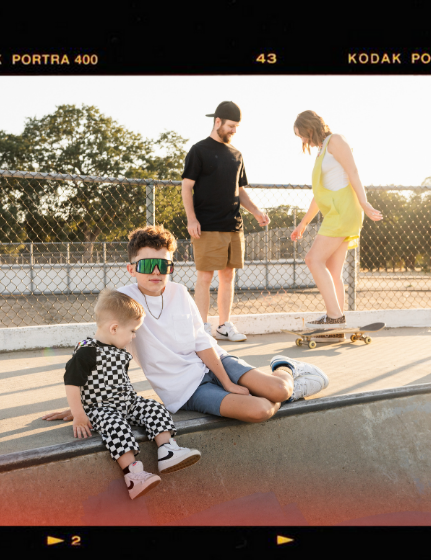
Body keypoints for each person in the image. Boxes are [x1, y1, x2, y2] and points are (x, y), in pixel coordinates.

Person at [44, 225, 330, 426]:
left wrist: (229, 382)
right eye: (145, 266)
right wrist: (82, 406)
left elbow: (201, 341)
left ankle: (286, 368)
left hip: (217, 362)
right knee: (260, 410)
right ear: (131, 269)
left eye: (163, 265)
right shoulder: (122, 301)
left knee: (279, 391)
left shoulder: (179, 292)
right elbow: (103, 351)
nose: (156, 273)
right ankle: (277, 388)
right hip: (185, 389)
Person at [62, 288, 201, 500]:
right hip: (101, 408)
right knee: (116, 427)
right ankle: (133, 476)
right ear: (115, 328)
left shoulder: (118, 349)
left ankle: (167, 451)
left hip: (128, 402)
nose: (134, 336)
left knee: (154, 408)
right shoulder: (86, 351)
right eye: (133, 331)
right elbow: (72, 383)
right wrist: (78, 413)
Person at [181, 101, 270, 342]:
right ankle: (201, 330)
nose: (234, 130)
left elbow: (240, 191)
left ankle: (223, 325)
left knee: (228, 276)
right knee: (205, 277)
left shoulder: (236, 155)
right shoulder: (199, 150)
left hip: (233, 225)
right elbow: (186, 187)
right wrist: (192, 219)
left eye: (237, 127)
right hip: (207, 225)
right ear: (217, 121)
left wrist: (256, 212)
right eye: (231, 126)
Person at [291, 110, 383, 341]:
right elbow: (318, 195)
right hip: (335, 211)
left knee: (313, 259)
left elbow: (353, 172)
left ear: (309, 128)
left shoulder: (336, 141)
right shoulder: (322, 151)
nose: (301, 140)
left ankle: (334, 318)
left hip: (344, 210)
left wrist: (364, 202)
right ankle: (336, 328)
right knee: (332, 271)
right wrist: (303, 223)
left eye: (301, 134)